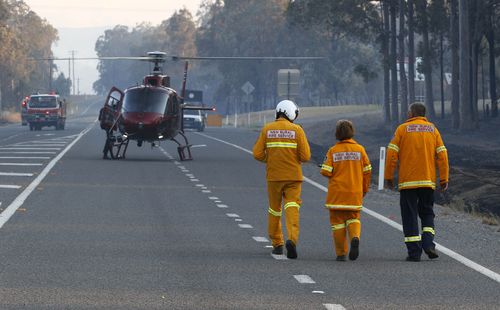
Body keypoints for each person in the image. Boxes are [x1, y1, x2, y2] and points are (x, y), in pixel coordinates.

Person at [385, 102, 449, 262]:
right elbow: (442, 154)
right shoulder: (433, 129)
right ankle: (428, 243)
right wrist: (444, 178)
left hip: (408, 183)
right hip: (427, 181)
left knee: (409, 216)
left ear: (412, 113)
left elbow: (391, 154)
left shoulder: (401, 129)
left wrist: (388, 177)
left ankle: (414, 253)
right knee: (427, 213)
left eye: (408, 111)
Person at [253, 100, 311, 259]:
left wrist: (271, 159)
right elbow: (305, 156)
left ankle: (277, 243)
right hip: (293, 177)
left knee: (274, 210)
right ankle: (292, 239)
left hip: (274, 177)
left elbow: (257, 154)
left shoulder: (267, 129)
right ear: (292, 113)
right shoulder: (297, 130)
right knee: (292, 207)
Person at [320, 120, 371, 261]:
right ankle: (355, 237)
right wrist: (364, 189)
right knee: (353, 218)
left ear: (337, 133)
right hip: (354, 193)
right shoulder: (360, 150)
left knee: (337, 224)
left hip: (336, 195)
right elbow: (367, 171)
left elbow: (325, 171)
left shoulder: (333, 150)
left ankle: (341, 253)